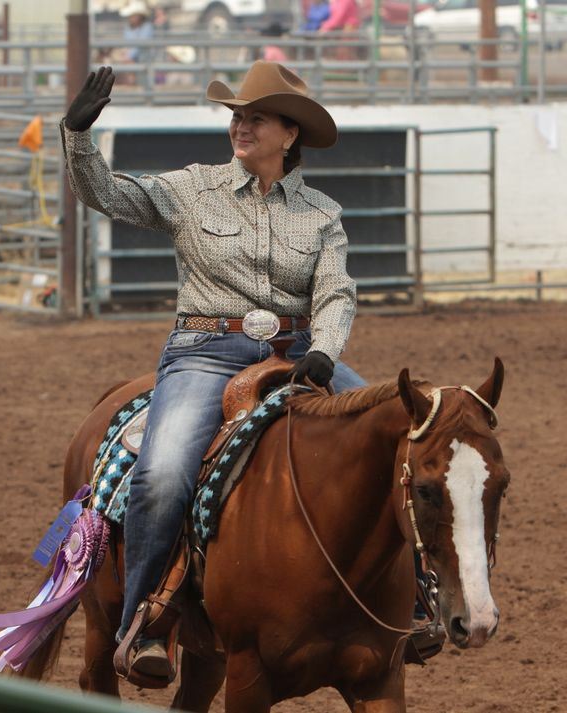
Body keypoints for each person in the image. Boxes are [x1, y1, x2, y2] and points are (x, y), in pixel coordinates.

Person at [60, 61, 365, 679]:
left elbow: (336, 293)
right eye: (236, 116)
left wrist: (326, 352)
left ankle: (411, 603)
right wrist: (78, 136)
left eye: (256, 118)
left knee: (390, 433)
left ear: (289, 134)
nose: (240, 126)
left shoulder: (322, 214)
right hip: (205, 353)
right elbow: (109, 194)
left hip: (300, 355)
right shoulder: (191, 188)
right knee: (165, 470)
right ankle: (146, 620)